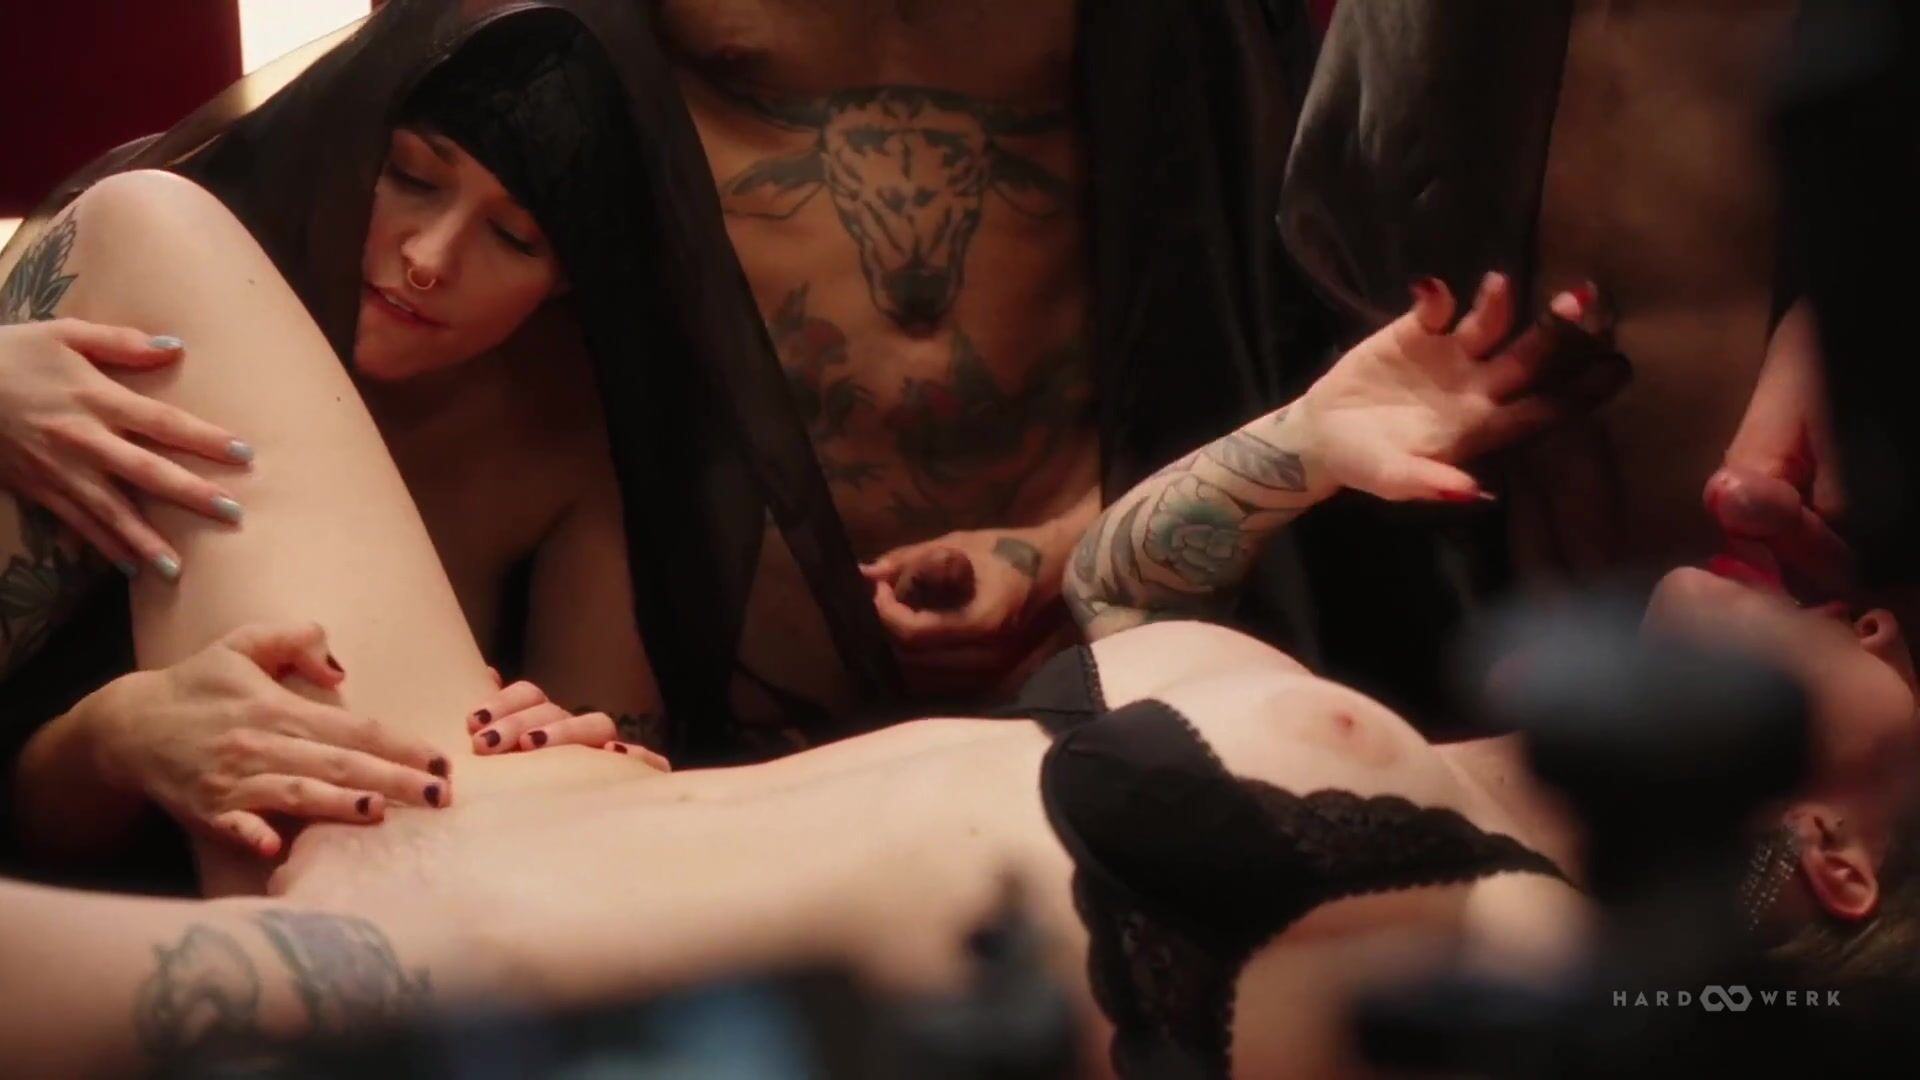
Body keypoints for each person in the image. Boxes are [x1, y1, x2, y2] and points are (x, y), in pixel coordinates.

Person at [0, 6, 696, 870]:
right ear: (349, 140)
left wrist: (564, 743)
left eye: (515, 238)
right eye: (412, 178)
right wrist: (111, 740)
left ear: (566, 282)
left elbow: (604, 806)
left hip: (394, 883)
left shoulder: (563, 436)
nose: (430, 259)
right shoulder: (160, 276)